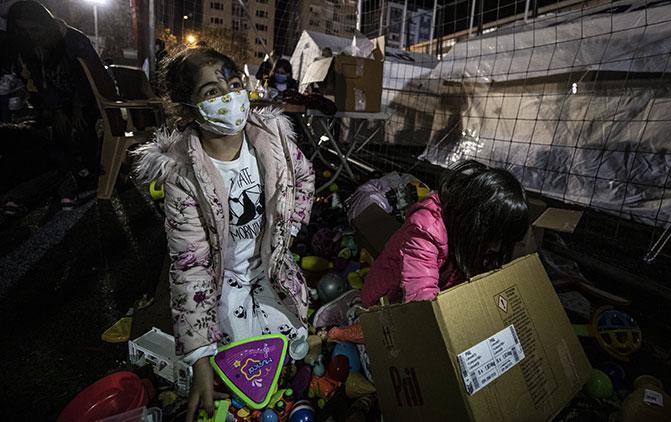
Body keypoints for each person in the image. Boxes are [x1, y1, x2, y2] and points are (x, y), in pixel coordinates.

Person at [132, 47, 315, 421]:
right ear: (187, 107)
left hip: (269, 263)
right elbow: (191, 266)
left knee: (291, 340)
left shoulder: (272, 140)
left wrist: (291, 226)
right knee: (233, 356)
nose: (230, 98)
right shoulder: (183, 175)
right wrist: (199, 359)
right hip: (224, 276)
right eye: (212, 92)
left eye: (234, 84)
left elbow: (304, 178)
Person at [312, 160, 529, 379]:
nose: (498, 247)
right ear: (478, 223)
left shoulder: (474, 241)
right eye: (496, 239)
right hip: (389, 302)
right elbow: (421, 308)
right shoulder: (426, 231)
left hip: (430, 297)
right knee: (383, 370)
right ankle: (351, 315)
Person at [5, 1, 114, 209]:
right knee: (49, 136)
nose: (31, 36)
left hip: (87, 101)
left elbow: (90, 81)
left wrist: (76, 109)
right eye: (24, 32)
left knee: (80, 128)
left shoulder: (73, 40)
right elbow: (40, 84)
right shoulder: (32, 49)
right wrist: (55, 110)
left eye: (35, 29)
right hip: (58, 103)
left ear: (46, 24)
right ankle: (67, 180)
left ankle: (81, 178)